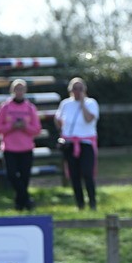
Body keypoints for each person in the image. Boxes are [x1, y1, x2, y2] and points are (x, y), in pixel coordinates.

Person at [0, 78, 43, 210]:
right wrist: (11, 126)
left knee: (25, 177)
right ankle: (27, 200)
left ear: (25, 91)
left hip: (26, 148)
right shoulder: (5, 107)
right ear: (12, 90)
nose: (19, 92)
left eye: (21, 89)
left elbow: (37, 129)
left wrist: (25, 126)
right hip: (9, 148)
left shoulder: (30, 108)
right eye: (16, 89)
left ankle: (20, 204)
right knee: (12, 176)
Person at [54, 77, 100, 210]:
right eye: (75, 88)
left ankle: (92, 202)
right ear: (70, 90)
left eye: (80, 88)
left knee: (87, 173)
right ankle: (80, 204)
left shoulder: (91, 103)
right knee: (74, 175)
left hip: (85, 143)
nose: (77, 91)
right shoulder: (65, 104)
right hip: (69, 144)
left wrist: (82, 104)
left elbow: (89, 119)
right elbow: (58, 120)